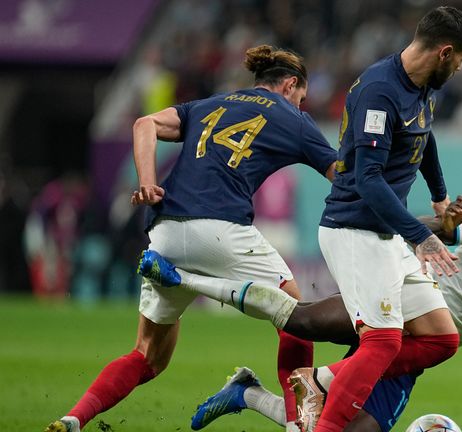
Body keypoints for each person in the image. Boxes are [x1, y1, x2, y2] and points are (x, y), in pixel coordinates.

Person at [139, 189, 462, 432]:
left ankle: (247, 395)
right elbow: (427, 227)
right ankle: (192, 280)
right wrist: (440, 225)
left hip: (410, 355)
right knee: (302, 318)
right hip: (392, 303)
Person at [44, 45, 337, 432]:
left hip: (165, 233)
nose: (301, 106)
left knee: (148, 356)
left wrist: (148, 183)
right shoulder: (292, 118)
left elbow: (143, 125)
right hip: (222, 230)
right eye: (301, 98)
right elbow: (342, 176)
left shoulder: (208, 105)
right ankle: (298, 423)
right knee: (294, 316)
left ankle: (73, 418)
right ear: (290, 84)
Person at [301, 6, 462, 432]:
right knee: (381, 343)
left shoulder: (422, 86)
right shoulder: (379, 91)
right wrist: (422, 236)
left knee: (440, 338)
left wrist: (439, 197)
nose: (460, 68)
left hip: (385, 235)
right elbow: (367, 178)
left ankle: (319, 381)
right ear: (445, 52)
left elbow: (425, 134)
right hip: (353, 231)